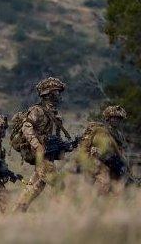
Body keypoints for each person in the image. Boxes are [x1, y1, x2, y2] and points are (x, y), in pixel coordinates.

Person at [12, 77, 71, 212]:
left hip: (47, 156)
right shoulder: (37, 110)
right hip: (40, 155)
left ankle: (16, 212)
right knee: (58, 184)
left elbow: (55, 139)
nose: (59, 95)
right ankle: (64, 214)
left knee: (36, 186)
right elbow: (26, 127)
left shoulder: (55, 114)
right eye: (56, 92)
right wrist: (37, 145)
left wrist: (65, 146)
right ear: (48, 93)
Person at [77, 105, 129, 195]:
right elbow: (92, 146)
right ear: (108, 118)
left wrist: (124, 162)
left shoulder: (119, 134)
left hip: (112, 162)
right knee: (103, 183)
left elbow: (120, 150)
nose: (116, 120)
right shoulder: (101, 130)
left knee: (116, 186)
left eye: (118, 118)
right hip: (97, 161)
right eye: (113, 118)